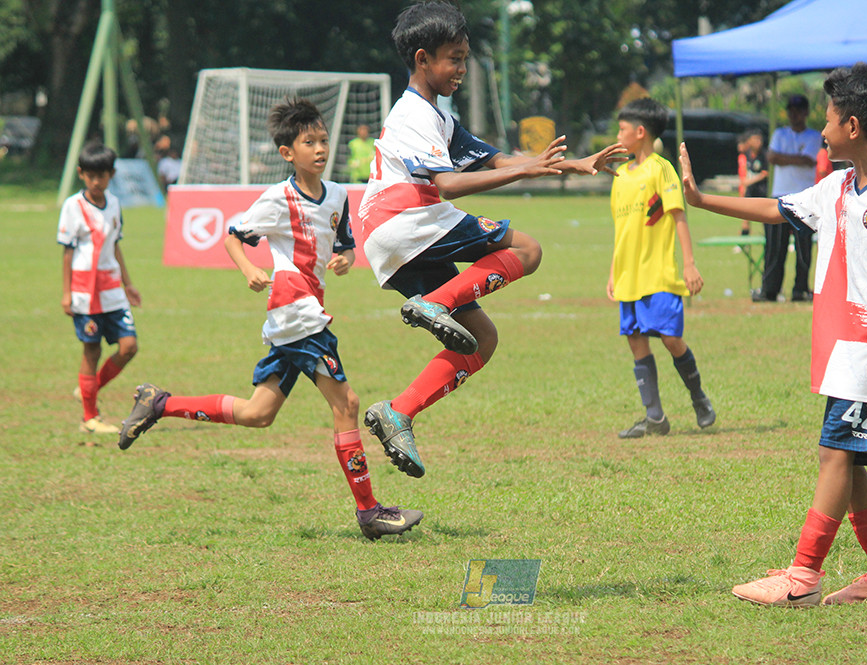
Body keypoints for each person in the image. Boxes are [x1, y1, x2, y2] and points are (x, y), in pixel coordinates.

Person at [679, 63, 867, 607]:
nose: (821, 128)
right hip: (852, 348)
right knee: (846, 456)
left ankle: (803, 577)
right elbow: (775, 208)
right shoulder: (837, 185)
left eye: (830, 117)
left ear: (853, 126)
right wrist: (700, 201)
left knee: (833, 453)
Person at [116, 99, 422, 541]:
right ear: (287, 153)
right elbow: (234, 238)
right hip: (295, 309)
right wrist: (250, 269)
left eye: (322, 140)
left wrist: (343, 258)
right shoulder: (278, 198)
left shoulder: (337, 194)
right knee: (348, 404)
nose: (319, 149)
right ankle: (369, 511)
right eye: (308, 142)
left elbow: (345, 244)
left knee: (259, 413)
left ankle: (159, 402)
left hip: (302, 312)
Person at [358, 1, 626, 478]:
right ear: (422, 59)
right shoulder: (412, 114)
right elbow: (449, 185)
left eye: (464, 58)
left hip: (396, 237)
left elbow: (496, 160)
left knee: (481, 339)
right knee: (528, 249)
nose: (461, 69)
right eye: (453, 58)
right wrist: (528, 169)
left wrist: (575, 164)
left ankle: (398, 412)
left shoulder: (438, 116)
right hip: (407, 219)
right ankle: (434, 305)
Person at [607, 98, 715, 438]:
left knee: (670, 338)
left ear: (640, 132)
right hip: (628, 276)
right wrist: (613, 272)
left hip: (658, 274)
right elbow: (620, 231)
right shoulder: (620, 174)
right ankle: (654, 417)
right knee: (636, 341)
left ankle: (698, 397)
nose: (618, 134)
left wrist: (690, 264)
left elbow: (677, 215)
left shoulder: (661, 168)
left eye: (622, 129)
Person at [57, 141, 141, 435]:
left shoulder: (115, 204)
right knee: (91, 351)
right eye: (90, 175)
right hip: (85, 291)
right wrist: (66, 293)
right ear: (81, 174)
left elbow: (114, 246)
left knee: (129, 346)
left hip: (113, 291)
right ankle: (89, 417)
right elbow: (68, 251)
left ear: (111, 175)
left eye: (102, 175)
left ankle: (88, 389)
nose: (96, 181)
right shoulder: (73, 206)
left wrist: (129, 284)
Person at [755, 94, 824, 303]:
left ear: (805, 113)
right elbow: (772, 158)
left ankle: (800, 288)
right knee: (775, 246)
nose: (794, 115)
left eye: (798, 110)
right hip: (780, 195)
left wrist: (785, 158)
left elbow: (809, 160)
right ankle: (770, 289)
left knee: (803, 247)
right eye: (791, 110)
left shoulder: (813, 136)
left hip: (804, 196)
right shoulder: (779, 133)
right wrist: (796, 158)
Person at [737, 129, 768, 236]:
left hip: (762, 191)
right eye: (755, 139)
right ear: (749, 141)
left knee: (766, 217)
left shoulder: (764, 155)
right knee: (745, 218)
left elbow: (765, 173)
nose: (758, 142)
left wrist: (751, 181)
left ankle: (768, 237)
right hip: (750, 191)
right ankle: (743, 242)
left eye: (760, 139)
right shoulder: (747, 155)